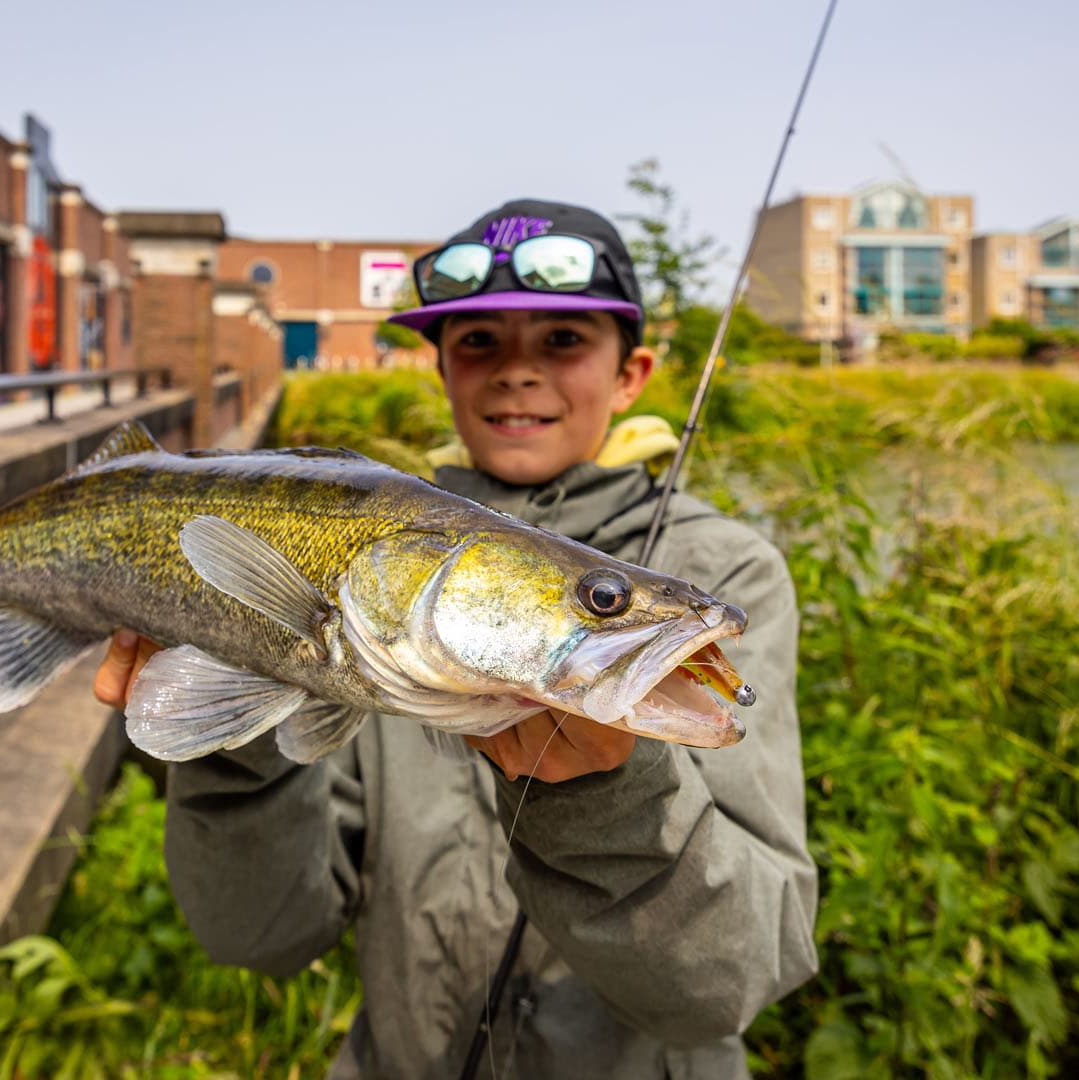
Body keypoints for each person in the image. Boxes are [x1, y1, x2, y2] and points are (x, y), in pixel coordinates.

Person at [93, 198, 818, 1078]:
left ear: (633, 374)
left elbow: (731, 985)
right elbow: (263, 933)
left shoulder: (727, 570)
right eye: (477, 341)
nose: (516, 372)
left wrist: (607, 798)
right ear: (439, 369)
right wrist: (231, 715)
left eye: (562, 341)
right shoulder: (367, 569)